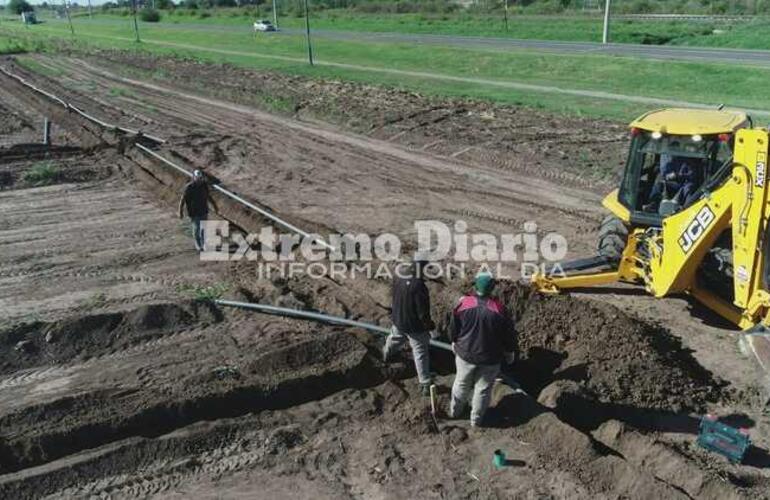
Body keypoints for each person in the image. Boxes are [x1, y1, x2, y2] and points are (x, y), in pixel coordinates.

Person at [448, 272, 516, 427]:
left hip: (465, 354)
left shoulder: (464, 304)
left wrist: (453, 341)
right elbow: (508, 335)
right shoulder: (499, 310)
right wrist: (510, 352)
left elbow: (453, 326)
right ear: (492, 288)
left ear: (475, 286)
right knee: (482, 389)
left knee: (461, 383)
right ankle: (476, 420)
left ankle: (455, 411)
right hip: (489, 358)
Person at [383, 252, 436, 395]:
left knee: (393, 339)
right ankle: (425, 383)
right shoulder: (419, 286)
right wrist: (429, 326)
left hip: (398, 320)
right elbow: (422, 313)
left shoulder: (399, 275)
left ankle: (385, 356)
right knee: (420, 353)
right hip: (414, 327)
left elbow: (393, 295)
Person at [178, 170, 218, 252]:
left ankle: (204, 244)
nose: (199, 179)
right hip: (194, 211)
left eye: (200, 178)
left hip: (203, 210)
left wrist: (214, 206)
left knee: (203, 228)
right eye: (197, 178)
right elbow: (183, 200)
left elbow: (208, 196)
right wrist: (180, 211)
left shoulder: (204, 185)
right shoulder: (189, 187)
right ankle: (198, 244)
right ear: (194, 177)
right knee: (196, 228)